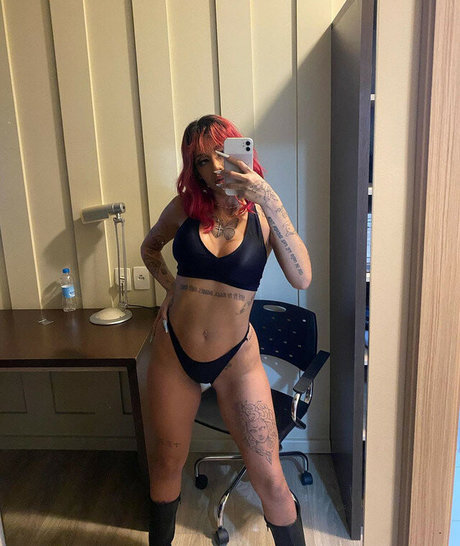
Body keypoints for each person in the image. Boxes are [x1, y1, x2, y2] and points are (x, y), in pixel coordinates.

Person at [140, 114, 312, 546]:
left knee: (270, 477)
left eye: (222, 153)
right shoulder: (183, 209)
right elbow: (150, 248)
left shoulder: (264, 215)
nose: (215, 167)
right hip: (174, 353)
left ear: (241, 152)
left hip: (236, 359)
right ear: (193, 169)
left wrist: (267, 196)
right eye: (202, 160)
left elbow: (302, 277)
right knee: (165, 465)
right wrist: (171, 288)